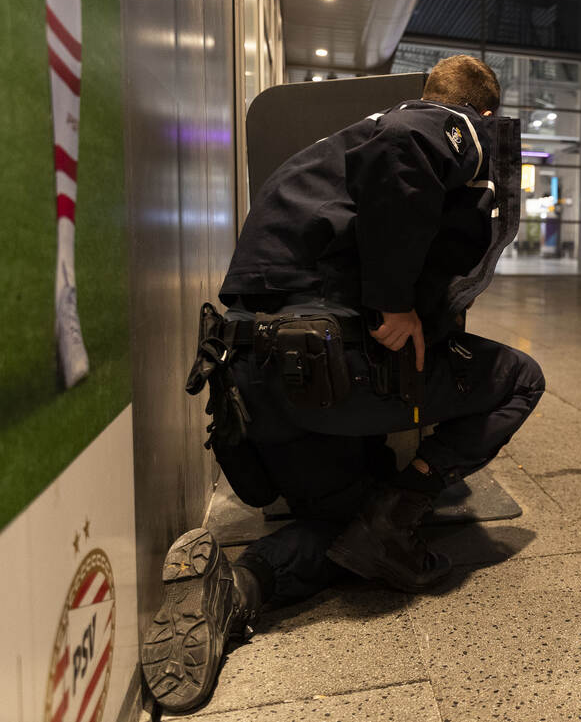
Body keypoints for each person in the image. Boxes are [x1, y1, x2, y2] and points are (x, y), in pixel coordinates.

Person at [139, 56, 545, 713]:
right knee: (521, 379)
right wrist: (394, 304)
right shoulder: (450, 124)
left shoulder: (325, 151)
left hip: (254, 385)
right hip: (330, 371)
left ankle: (240, 587)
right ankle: (402, 507)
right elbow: (407, 148)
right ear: (482, 112)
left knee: (343, 527)